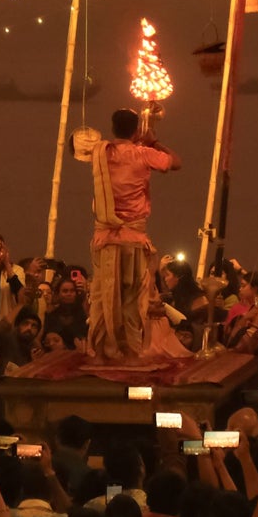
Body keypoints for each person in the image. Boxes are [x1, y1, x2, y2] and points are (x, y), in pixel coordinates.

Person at [86, 108, 182, 362]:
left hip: (105, 239)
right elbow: (176, 162)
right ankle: (129, 351)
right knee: (132, 298)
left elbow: (80, 146)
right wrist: (153, 141)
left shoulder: (100, 153)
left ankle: (99, 351)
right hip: (133, 240)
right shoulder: (144, 153)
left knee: (101, 295)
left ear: (112, 127)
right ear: (136, 129)